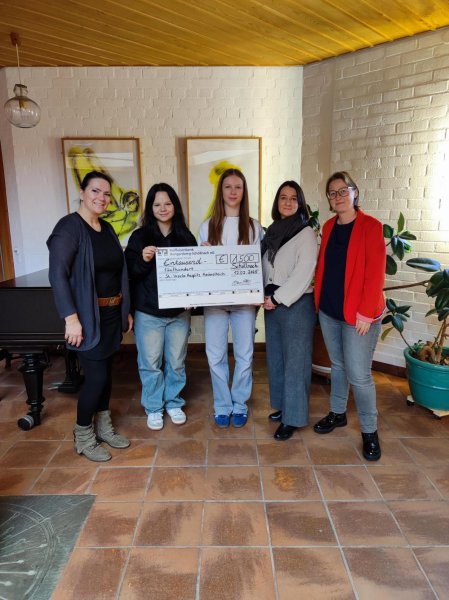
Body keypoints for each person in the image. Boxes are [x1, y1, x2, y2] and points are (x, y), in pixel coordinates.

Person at [47, 171, 132, 462]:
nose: (102, 198)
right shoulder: (68, 228)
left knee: (106, 376)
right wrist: (71, 319)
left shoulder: (106, 228)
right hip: (86, 317)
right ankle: (83, 436)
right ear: (82, 192)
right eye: (95, 191)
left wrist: (124, 310)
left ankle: (103, 428)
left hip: (111, 314)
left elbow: (118, 273)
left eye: (107, 194)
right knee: (96, 378)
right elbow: (57, 275)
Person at [313, 171, 385, 461]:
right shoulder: (328, 227)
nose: (339, 196)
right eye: (333, 193)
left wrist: (366, 313)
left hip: (359, 314)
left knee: (359, 374)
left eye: (344, 190)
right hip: (330, 310)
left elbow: (375, 274)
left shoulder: (371, 227)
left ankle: (370, 431)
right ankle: (338, 412)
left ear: (355, 193)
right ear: (329, 200)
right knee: (338, 365)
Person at [125, 184, 197, 431]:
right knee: (150, 363)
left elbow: (194, 274)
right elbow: (129, 273)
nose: (163, 208)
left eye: (167, 203)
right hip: (148, 312)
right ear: (150, 208)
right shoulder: (139, 237)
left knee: (176, 361)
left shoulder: (186, 237)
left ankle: (174, 402)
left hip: (179, 313)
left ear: (175, 206)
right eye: (157, 204)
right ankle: (154, 407)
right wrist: (143, 260)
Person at [198, 168, 264, 428]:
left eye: (238, 187)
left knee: (244, 354)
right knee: (214, 355)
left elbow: (259, 265)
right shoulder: (207, 226)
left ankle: (239, 404)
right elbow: (201, 269)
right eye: (228, 186)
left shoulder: (254, 226)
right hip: (215, 302)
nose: (233, 191)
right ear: (221, 191)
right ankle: (222, 405)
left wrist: (258, 293)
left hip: (244, 302)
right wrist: (203, 255)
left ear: (244, 191)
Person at [262, 181, 317, 440]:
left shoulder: (306, 233)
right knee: (276, 357)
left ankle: (293, 418)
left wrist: (277, 298)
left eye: (293, 198)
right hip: (271, 301)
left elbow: (304, 272)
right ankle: (284, 407)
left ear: (300, 203)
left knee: (296, 362)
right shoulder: (272, 230)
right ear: (277, 202)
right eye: (283, 197)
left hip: (295, 303)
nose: (287, 202)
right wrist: (262, 293)